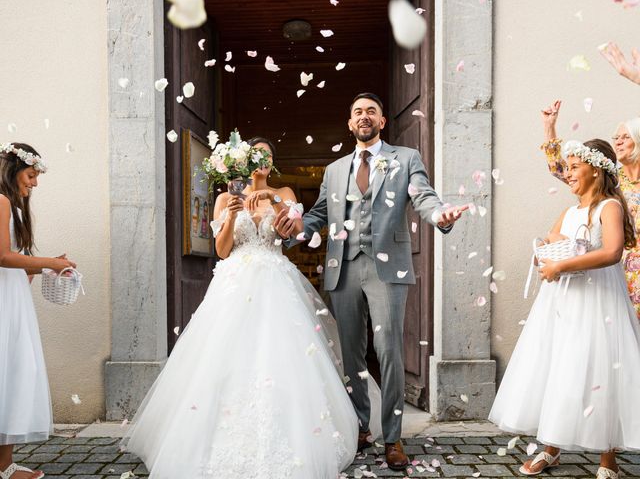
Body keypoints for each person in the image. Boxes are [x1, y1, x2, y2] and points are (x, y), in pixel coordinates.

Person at [122, 137, 366, 479]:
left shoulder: (285, 193)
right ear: (243, 162)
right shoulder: (226, 197)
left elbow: (295, 233)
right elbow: (222, 251)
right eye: (257, 155)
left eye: (268, 155)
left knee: (281, 354)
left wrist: (274, 200)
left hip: (275, 281)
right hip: (234, 281)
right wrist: (230, 216)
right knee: (225, 354)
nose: (263, 160)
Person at [274, 92, 466, 470]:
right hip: (342, 268)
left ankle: (392, 436)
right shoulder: (333, 170)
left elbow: (423, 197)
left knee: (389, 350)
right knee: (351, 354)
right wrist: (295, 229)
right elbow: (317, 216)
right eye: (357, 111)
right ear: (350, 124)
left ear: (382, 121)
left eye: (371, 112)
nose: (364, 116)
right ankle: (360, 426)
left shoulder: (406, 159)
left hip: (387, 269)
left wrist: (440, 215)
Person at [489, 139, 640, 479]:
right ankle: (551, 448)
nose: (568, 173)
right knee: (560, 367)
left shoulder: (609, 207)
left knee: (602, 370)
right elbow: (547, 244)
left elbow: (613, 251)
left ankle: (608, 458)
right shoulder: (569, 213)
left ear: (596, 169)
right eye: (568, 167)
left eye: (574, 167)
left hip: (600, 301)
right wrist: (543, 256)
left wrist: (563, 264)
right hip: (563, 304)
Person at [0, 143, 76, 479]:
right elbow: (2, 256)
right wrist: (48, 261)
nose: (35, 183)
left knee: (14, 374)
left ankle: (4, 465)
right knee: (8, 372)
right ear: (12, 171)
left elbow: (17, 266)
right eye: (31, 175)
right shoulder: (0, 201)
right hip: (4, 302)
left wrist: (47, 269)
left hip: (12, 299)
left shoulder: (14, 208)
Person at [540, 100, 640, 317]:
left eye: (626, 136)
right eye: (616, 137)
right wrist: (550, 127)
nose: (618, 142)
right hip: (614, 267)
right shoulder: (611, 180)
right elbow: (563, 170)